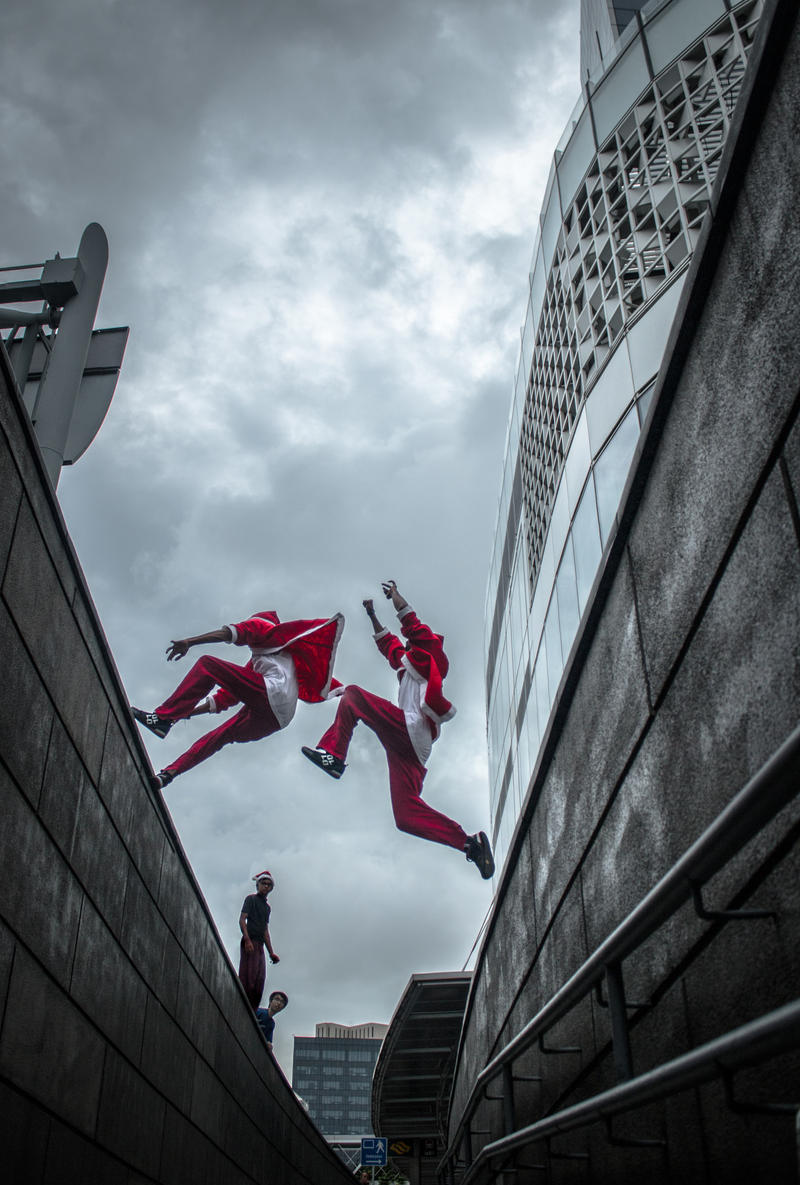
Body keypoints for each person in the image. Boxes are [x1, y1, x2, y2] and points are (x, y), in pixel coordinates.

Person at [302, 581, 494, 878]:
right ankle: (470, 844)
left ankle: (334, 757)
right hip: (412, 748)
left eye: (410, 646)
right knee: (405, 816)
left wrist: (396, 599)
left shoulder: (432, 657)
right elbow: (388, 645)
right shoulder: (407, 666)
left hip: (411, 729)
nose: (405, 651)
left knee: (352, 696)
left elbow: (412, 625)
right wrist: (371, 614)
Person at [132, 608, 344, 788]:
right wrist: (187, 713)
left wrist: (190, 642)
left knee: (208, 665)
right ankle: (168, 774)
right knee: (219, 737)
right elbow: (226, 699)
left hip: (272, 694)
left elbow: (229, 633)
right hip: (278, 719)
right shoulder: (267, 659)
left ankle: (162, 719)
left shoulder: (263, 627)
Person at [239, 871, 279, 1009]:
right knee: (248, 977)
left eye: (269, 885)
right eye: (263, 884)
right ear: (258, 885)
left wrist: (271, 952)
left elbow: (265, 930)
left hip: (260, 945)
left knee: (259, 979)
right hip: (250, 942)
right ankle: (243, 1005)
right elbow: (242, 920)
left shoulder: (267, 908)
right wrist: (247, 940)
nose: (266, 887)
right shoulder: (251, 899)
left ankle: (252, 1009)